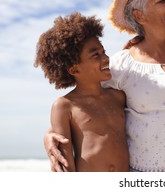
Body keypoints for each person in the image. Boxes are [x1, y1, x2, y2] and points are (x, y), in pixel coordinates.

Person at [44, 0, 165, 172]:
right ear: (139, 15)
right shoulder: (120, 67)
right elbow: (86, 104)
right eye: (162, 1)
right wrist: (50, 135)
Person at [34, 12, 129, 172]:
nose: (105, 58)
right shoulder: (64, 106)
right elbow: (64, 161)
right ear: (74, 69)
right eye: (95, 55)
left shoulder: (118, 97)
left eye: (103, 51)